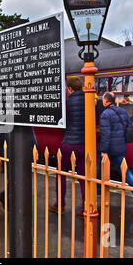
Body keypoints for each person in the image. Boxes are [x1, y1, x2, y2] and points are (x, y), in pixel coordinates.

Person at [49, 77, 86, 216]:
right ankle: (86, 208)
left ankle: (60, 204)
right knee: (84, 178)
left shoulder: (67, 103)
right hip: (85, 145)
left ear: (69, 89)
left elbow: (61, 122)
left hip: (70, 144)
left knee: (61, 174)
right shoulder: (90, 101)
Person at [97, 91, 133, 204]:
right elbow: (129, 126)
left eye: (103, 100)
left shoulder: (105, 114)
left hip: (109, 148)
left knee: (99, 169)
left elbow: (105, 134)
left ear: (106, 101)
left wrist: (104, 150)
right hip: (120, 146)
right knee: (124, 171)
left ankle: (98, 193)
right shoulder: (123, 112)